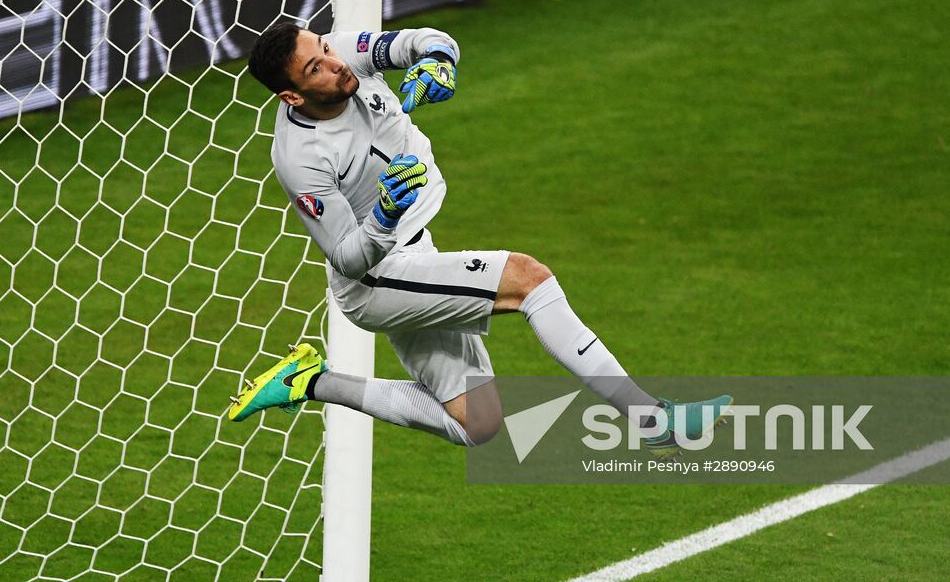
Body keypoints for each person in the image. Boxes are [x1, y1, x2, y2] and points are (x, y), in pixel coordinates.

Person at [228, 23, 731, 452]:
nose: (335, 64)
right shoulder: (301, 159)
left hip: (414, 250)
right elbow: (347, 258)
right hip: (377, 282)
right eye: (315, 67)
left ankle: (307, 382)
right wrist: (384, 214)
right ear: (292, 95)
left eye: (325, 50)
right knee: (528, 280)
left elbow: (423, 41)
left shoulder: (347, 57)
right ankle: (652, 421)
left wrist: (438, 60)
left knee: (481, 424)